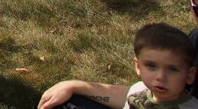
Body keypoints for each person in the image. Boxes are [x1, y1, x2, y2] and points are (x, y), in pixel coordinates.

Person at [39, 23, 198, 109]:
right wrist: (72, 86)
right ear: (138, 66)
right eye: (151, 66)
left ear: (190, 75)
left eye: (173, 69)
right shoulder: (138, 90)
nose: (161, 77)